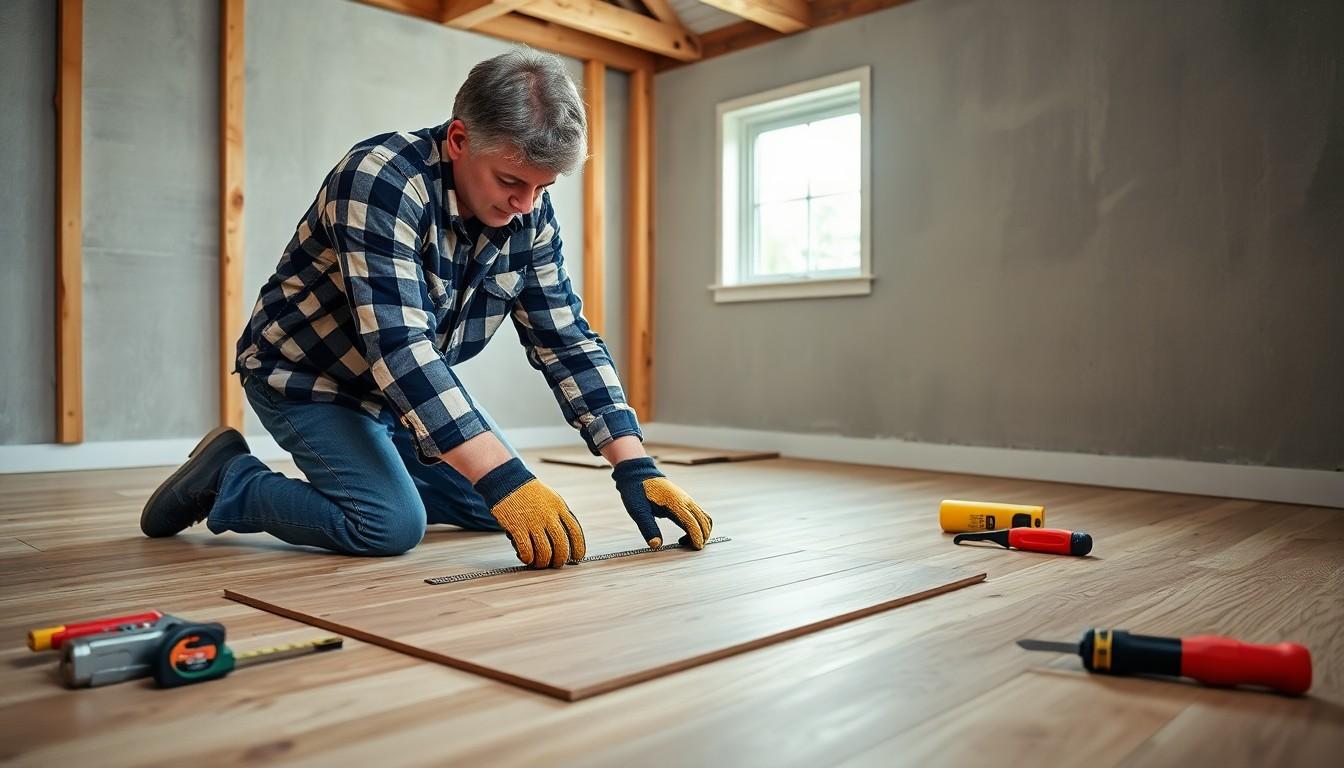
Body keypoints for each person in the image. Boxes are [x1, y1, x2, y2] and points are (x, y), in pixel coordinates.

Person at [139, 49, 711, 567]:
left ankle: (383, 463)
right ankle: (226, 481)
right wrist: (503, 477)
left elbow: (565, 339)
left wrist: (635, 463)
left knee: (498, 505)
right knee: (389, 524)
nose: (524, 205)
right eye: (511, 181)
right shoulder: (380, 179)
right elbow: (399, 344)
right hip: (305, 377)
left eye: (543, 188)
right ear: (459, 140)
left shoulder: (527, 213)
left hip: (394, 395)